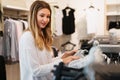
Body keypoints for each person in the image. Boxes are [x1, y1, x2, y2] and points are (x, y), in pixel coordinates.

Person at [19, 1, 79, 80]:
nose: (46, 20)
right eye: (42, 16)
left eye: (48, 16)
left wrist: (63, 56)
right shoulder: (27, 37)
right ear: (33, 16)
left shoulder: (41, 35)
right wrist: (63, 61)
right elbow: (35, 70)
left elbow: (46, 62)